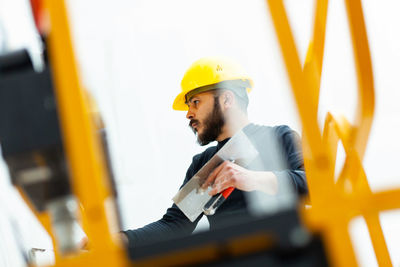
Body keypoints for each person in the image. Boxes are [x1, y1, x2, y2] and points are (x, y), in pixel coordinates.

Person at [121, 57, 307, 250]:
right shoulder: (203, 163)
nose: (188, 113)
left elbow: (314, 185)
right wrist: (121, 240)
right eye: (188, 106)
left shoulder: (278, 137)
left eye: (195, 102)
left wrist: (253, 179)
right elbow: (175, 225)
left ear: (227, 99)